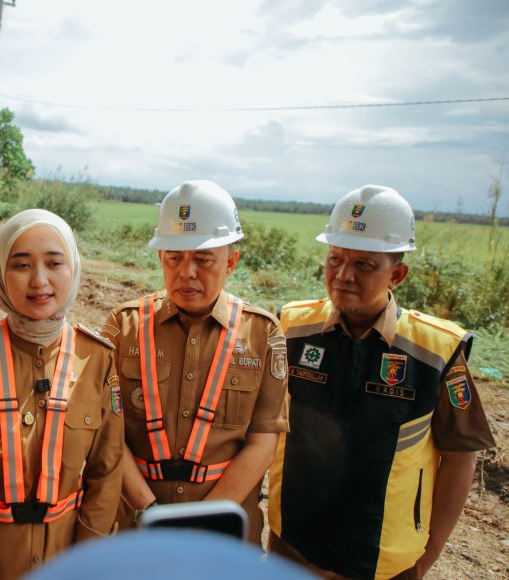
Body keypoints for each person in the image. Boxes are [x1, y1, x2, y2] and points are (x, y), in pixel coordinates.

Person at [268, 185, 496, 579]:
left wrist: (428, 554)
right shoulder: (290, 328)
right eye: (335, 259)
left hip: (384, 562)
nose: (343, 276)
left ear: (398, 275)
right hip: (291, 547)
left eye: (364, 265)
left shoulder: (435, 351)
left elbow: (461, 456)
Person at [0, 209, 123, 580]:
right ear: (1, 273)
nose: (40, 281)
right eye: (21, 265)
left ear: (73, 269)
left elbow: (107, 472)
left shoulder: (98, 358)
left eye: (54, 263)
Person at [101, 180, 289, 545]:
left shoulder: (261, 334)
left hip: (223, 533)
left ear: (231, 262)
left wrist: (205, 520)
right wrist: (149, 512)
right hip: (136, 528)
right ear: (160, 258)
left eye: (203, 260)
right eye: (174, 257)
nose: (186, 272)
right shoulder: (124, 327)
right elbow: (108, 435)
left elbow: (263, 442)